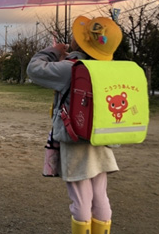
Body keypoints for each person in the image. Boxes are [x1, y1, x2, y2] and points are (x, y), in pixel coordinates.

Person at [27, 16, 123, 234]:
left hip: (76, 140)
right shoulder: (109, 69)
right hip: (102, 138)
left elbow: (34, 69)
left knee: (80, 197)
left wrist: (52, 51)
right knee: (100, 195)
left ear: (81, 43)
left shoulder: (71, 68)